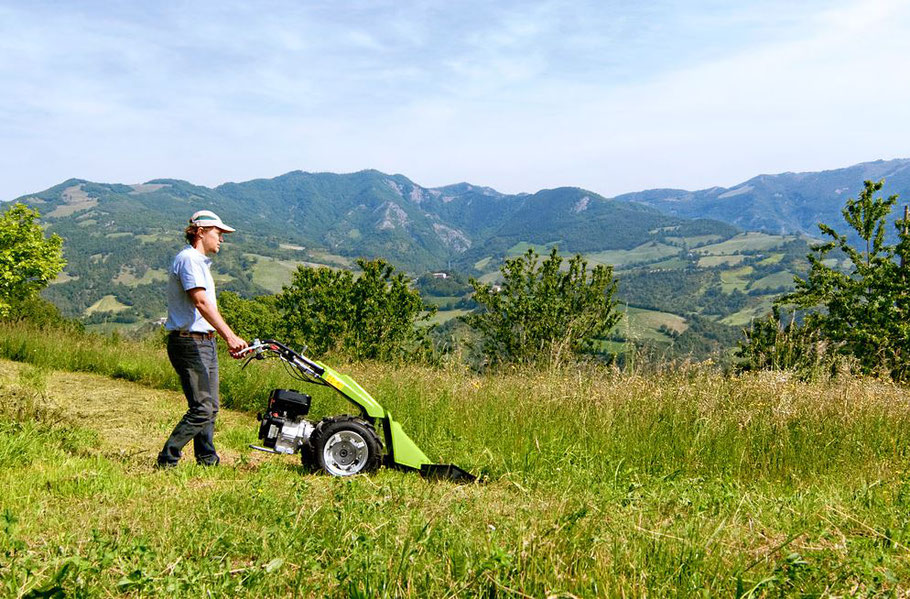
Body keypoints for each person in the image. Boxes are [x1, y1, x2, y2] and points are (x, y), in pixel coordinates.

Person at [156, 210, 248, 469]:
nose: (222, 239)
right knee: (202, 409)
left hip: (204, 341)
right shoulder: (189, 259)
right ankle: (168, 458)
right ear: (201, 232)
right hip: (188, 342)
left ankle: (207, 460)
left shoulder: (199, 262)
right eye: (218, 233)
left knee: (211, 407)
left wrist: (219, 337)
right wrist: (229, 336)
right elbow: (201, 302)